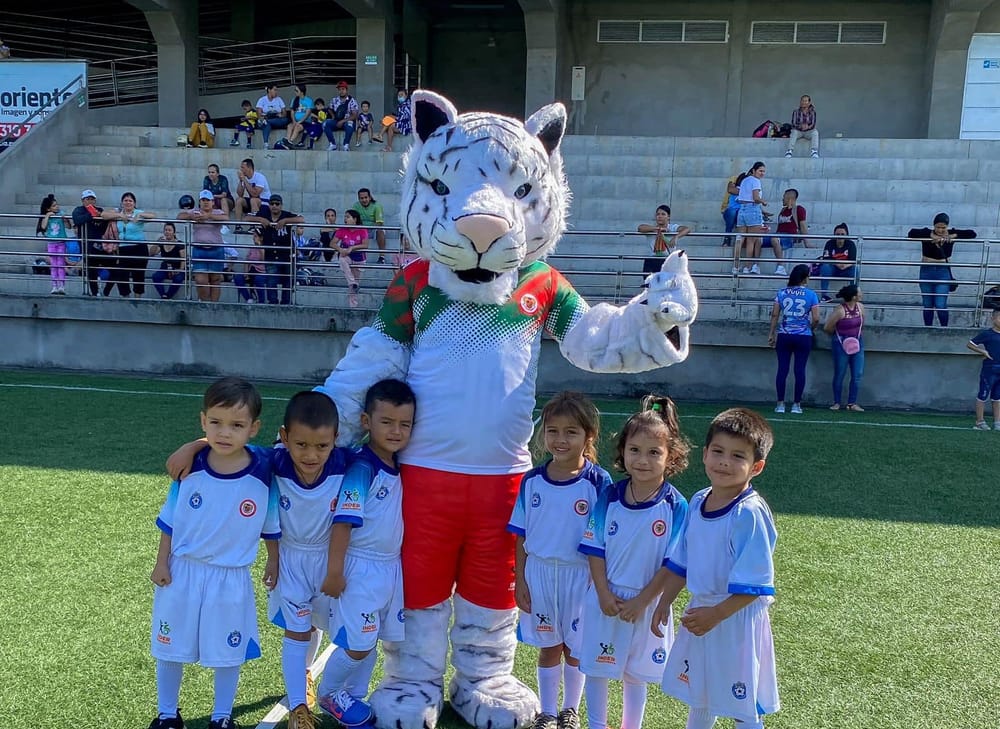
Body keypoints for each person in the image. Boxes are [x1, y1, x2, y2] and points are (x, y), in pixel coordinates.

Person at [148, 377, 280, 729]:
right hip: (182, 571)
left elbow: (270, 525)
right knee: (169, 645)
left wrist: (274, 559)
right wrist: (162, 562)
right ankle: (166, 714)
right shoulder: (189, 470)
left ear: (254, 429)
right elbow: (170, 523)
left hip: (230, 577)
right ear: (203, 421)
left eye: (237, 425)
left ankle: (221, 717)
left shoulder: (264, 469)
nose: (225, 433)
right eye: (216, 423)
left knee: (227, 652)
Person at [654, 408, 779, 729]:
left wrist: (716, 615)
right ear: (705, 454)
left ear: (757, 467)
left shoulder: (749, 513)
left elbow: (756, 584)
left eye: (738, 456)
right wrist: (664, 601)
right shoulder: (698, 501)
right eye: (718, 452)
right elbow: (682, 561)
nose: (725, 462)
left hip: (735, 619)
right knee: (701, 692)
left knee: (742, 703)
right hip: (702, 612)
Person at [578, 396, 689, 729]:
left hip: (647, 601)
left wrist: (643, 601)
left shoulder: (676, 505)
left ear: (671, 458)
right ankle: (597, 724)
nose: (643, 460)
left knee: (635, 673)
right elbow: (593, 548)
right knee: (597, 667)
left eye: (654, 452)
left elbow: (673, 564)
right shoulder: (609, 496)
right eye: (635, 450)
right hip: (605, 597)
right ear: (622, 453)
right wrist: (601, 594)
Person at [508, 392, 612, 729]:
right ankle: (548, 712)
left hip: (580, 576)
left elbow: (605, 540)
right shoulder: (532, 480)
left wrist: (601, 587)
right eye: (553, 431)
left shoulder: (599, 483)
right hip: (539, 574)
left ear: (588, 437)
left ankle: (570, 710)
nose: (560, 439)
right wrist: (520, 579)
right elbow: (521, 534)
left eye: (571, 432)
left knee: (575, 648)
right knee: (548, 645)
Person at [317, 380, 417, 725]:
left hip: (390, 567)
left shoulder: (400, 463)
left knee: (370, 638)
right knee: (358, 642)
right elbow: (342, 523)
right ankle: (329, 694)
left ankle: (352, 697)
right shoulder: (363, 466)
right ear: (365, 421)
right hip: (360, 567)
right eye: (387, 422)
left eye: (405, 424)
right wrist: (335, 571)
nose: (396, 431)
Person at [907, 213, 977, 327]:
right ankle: (927, 328)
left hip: (942, 272)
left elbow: (972, 234)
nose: (940, 230)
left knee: (940, 304)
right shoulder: (926, 233)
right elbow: (911, 233)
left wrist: (952, 235)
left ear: (947, 226)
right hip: (926, 271)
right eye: (938, 227)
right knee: (928, 304)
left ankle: (944, 328)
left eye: (943, 227)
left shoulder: (950, 233)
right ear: (934, 226)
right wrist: (931, 236)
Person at [768, 264, 820, 414]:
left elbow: (775, 315)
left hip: (785, 334)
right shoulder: (811, 294)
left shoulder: (782, 292)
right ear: (805, 278)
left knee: (782, 369)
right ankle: (796, 405)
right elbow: (816, 318)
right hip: (803, 335)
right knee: (800, 370)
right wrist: (810, 328)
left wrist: (771, 333)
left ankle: (780, 404)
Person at [246, 193, 305, 305]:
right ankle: (273, 304)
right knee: (271, 282)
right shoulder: (264, 214)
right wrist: (260, 219)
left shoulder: (286, 215)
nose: (274, 206)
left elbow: (301, 219)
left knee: (288, 282)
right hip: (271, 255)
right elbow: (246, 217)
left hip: (286, 255)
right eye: (272, 203)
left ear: (281, 205)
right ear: (269, 205)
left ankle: (286, 304)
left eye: (277, 204)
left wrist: (285, 221)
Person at [178, 190, 228, 302]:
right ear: (200, 202)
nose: (205, 203)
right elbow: (180, 216)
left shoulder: (217, 212)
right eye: (203, 200)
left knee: (215, 280)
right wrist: (191, 217)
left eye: (208, 200)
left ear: (212, 202)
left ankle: (214, 306)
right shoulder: (195, 212)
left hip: (216, 250)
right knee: (201, 281)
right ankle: (205, 304)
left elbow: (226, 218)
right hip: (199, 250)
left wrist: (209, 216)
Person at [824, 284, 866, 412]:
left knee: (857, 373)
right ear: (854, 297)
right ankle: (837, 402)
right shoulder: (840, 310)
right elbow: (827, 327)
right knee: (840, 373)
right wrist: (840, 336)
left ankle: (852, 403)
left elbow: (862, 323)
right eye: (859, 292)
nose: (862, 294)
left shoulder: (861, 307)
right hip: (841, 343)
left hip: (857, 341)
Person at [71, 189, 117, 297]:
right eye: (88, 199)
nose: (91, 201)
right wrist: (91, 215)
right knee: (91, 272)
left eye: (92, 199)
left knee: (116, 269)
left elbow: (104, 225)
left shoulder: (100, 210)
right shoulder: (78, 210)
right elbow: (77, 220)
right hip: (87, 246)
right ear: (83, 200)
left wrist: (101, 215)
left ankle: (106, 292)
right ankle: (95, 293)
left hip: (101, 246)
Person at [114, 191, 157, 298]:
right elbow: (104, 215)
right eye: (125, 200)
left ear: (134, 203)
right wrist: (119, 215)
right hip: (123, 248)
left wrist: (140, 215)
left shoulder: (138, 212)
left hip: (139, 248)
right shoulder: (118, 212)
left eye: (130, 201)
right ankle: (126, 299)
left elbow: (153, 216)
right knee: (122, 276)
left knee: (138, 275)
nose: (128, 203)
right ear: (122, 202)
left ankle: (138, 300)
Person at [967, 307, 1000, 431]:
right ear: (993, 319)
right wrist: (983, 351)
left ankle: (997, 422)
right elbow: (970, 344)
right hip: (990, 369)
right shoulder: (988, 334)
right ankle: (979, 421)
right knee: (983, 394)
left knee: (997, 397)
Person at [765, 189, 810, 276]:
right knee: (758, 239)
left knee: (775, 239)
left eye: (784, 197)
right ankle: (754, 266)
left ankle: (781, 267)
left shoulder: (799, 209)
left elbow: (803, 226)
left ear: (790, 199)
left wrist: (807, 242)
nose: (782, 199)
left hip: (789, 237)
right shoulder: (783, 210)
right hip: (778, 235)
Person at [637, 205, 690, 274]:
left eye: (663, 214)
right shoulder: (651, 229)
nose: (660, 216)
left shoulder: (672, 227)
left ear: (668, 217)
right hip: (652, 259)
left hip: (667, 259)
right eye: (658, 214)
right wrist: (657, 229)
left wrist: (676, 237)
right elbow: (640, 228)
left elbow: (687, 229)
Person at [734, 162, 767, 275]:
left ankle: (736, 266)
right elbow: (756, 198)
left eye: (763, 171)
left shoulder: (744, 180)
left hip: (742, 209)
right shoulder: (755, 181)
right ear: (754, 170)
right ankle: (747, 267)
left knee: (740, 239)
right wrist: (763, 201)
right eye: (760, 171)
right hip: (752, 209)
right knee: (751, 240)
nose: (762, 173)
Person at [334, 209, 370, 307]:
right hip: (347, 256)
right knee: (342, 260)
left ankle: (353, 306)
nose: (345, 219)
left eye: (348, 217)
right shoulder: (342, 230)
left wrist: (352, 248)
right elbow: (332, 243)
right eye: (345, 217)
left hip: (359, 258)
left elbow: (365, 245)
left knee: (354, 287)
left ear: (355, 219)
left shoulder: (362, 230)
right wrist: (340, 249)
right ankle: (352, 282)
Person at [37, 194, 70, 294]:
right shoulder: (47, 216)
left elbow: (69, 226)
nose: (57, 207)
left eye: (57, 205)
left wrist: (65, 219)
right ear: (48, 208)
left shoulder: (61, 213)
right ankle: (54, 286)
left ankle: (62, 286)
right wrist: (47, 216)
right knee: (54, 265)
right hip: (51, 243)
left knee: (61, 264)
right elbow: (43, 226)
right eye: (54, 206)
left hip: (61, 242)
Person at [817, 224, 857, 301]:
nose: (840, 236)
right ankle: (824, 295)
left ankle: (853, 295)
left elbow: (853, 260)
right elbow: (826, 258)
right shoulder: (829, 243)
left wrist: (844, 266)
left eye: (842, 234)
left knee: (855, 270)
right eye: (838, 234)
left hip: (846, 269)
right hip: (833, 268)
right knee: (825, 267)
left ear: (847, 235)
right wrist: (838, 264)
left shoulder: (851, 244)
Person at [151, 222, 186, 300]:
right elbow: (152, 253)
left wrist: (180, 270)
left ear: (174, 232)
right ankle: (163, 294)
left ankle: (168, 296)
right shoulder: (162, 243)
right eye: (166, 230)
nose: (167, 232)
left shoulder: (179, 244)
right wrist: (157, 242)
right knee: (155, 277)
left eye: (169, 230)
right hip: (165, 268)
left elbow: (183, 259)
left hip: (177, 267)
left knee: (178, 279)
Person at [350, 188, 386, 262]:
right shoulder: (356, 206)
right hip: (361, 229)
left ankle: (382, 257)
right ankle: (352, 255)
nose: (364, 200)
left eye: (366, 197)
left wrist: (367, 228)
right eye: (361, 198)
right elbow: (353, 221)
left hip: (373, 228)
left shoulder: (377, 206)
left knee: (380, 231)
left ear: (369, 197)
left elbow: (379, 222)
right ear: (359, 199)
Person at [234, 226, 266, 303]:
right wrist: (246, 272)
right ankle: (248, 298)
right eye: (253, 236)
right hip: (251, 271)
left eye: (255, 236)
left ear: (261, 238)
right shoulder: (252, 248)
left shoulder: (265, 247)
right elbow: (247, 260)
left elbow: (263, 259)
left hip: (262, 272)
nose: (253, 238)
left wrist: (260, 247)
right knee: (238, 278)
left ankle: (261, 301)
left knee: (258, 279)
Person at [324, 81, 359, 151]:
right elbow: (329, 109)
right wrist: (333, 116)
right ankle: (332, 144)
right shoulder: (334, 100)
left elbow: (354, 115)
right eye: (339, 89)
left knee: (350, 125)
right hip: (336, 121)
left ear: (346, 90)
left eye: (343, 89)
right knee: (325, 124)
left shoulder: (352, 101)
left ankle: (346, 145)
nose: (341, 91)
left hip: (347, 121)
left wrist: (342, 121)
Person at [785, 94, 819, 159]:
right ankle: (789, 151)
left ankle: (814, 151)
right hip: (799, 131)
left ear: (809, 103)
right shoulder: (796, 111)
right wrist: (801, 126)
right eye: (802, 101)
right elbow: (793, 123)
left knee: (815, 132)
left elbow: (813, 123)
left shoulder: (812, 112)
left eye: (806, 101)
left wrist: (808, 127)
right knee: (794, 132)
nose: (804, 102)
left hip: (808, 132)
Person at [282, 84, 315, 149]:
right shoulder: (294, 99)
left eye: (297, 91)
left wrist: (299, 122)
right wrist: (294, 121)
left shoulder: (309, 100)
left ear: (302, 92)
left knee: (297, 126)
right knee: (290, 126)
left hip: (305, 122)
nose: (295, 92)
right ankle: (287, 141)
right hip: (296, 121)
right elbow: (292, 111)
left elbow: (307, 114)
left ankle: (290, 141)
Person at [256, 84, 289, 149]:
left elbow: (284, 113)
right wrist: (263, 117)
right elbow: (259, 113)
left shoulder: (279, 99)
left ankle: (266, 121)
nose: (276, 92)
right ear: (269, 90)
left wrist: (281, 115)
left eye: (276, 90)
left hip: (276, 120)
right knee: (266, 124)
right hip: (266, 118)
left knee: (285, 120)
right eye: (274, 90)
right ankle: (266, 144)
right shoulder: (262, 100)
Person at [720, 174, 741, 247]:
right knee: (732, 212)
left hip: (742, 212)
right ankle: (727, 238)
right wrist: (747, 192)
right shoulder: (735, 178)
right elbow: (730, 189)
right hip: (729, 211)